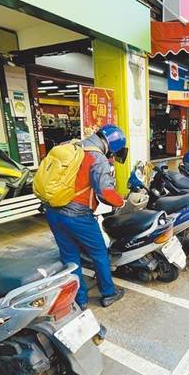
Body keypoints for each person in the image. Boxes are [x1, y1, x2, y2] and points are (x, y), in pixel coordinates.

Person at [44, 125, 128, 309]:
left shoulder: (72, 146)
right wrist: (121, 202)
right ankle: (108, 293)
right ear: (112, 146)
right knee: (99, 254)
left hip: (52, 211)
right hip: (78, 216)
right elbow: (105, 192)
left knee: (70, 258)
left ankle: (79, 300)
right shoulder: (97, 158)